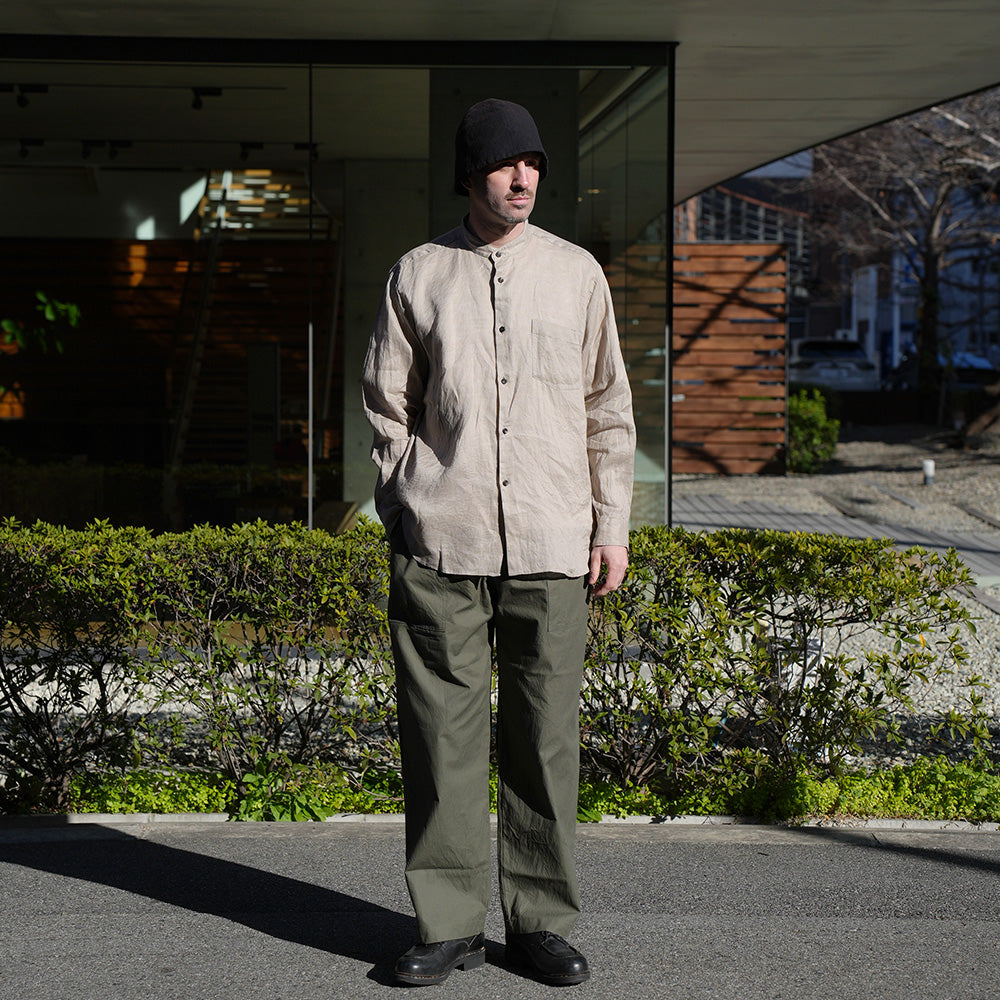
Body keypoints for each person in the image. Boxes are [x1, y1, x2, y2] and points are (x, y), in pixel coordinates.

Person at [362, 97, 635, 987]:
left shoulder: (577, 274)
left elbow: (608, 408)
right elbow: (387, 404)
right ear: (469, 174)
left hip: (554, 542)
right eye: (505, 163)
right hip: (444, 540)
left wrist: (611, 524)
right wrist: (406, 501)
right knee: (441, 740)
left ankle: (541, 924)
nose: (523, 178)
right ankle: (448, 926)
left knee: (546, 740)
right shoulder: (418, 274)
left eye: (534, 164)